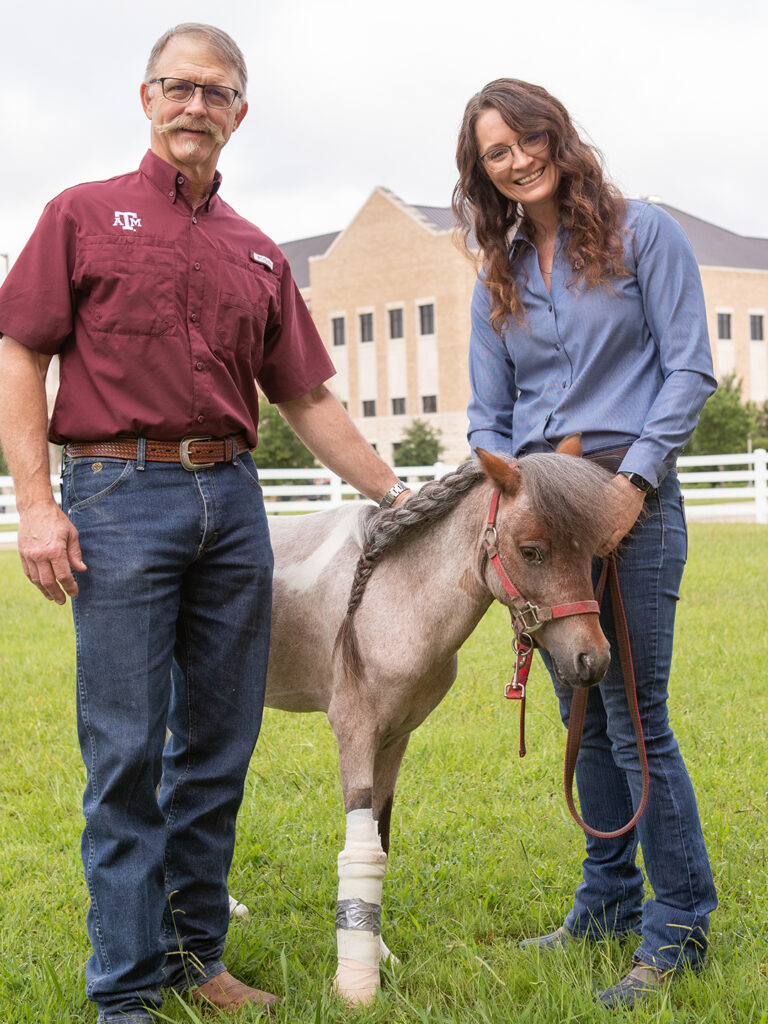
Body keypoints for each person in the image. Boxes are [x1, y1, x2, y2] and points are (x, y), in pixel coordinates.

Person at [0, 23, 410, 1024]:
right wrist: (38, 505)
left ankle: (194, 956)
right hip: (116, 494)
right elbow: (19, 354)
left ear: (240, 113)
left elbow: (308, 400)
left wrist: (402, 495)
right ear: (146, 99)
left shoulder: (258, 255)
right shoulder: (80, 217)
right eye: (177, 88)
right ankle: (126, 989)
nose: (196, 106)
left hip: (231, 505)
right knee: (129, 748)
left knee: (219, 744)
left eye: (215, 92)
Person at [453, 78, 718, 1009]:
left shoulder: (646, 233)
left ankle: (680, 920)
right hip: (537, 512)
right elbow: (488, 413)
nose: (517, 159)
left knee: (639, 721)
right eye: (496, 152)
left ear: (557, 136)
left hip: (628, 498)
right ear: (481, 171)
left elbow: (689, 367)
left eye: (527, 138)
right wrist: (506, 503)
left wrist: (634, 485)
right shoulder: (498, 269)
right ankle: (605, 903)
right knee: (584, 714)